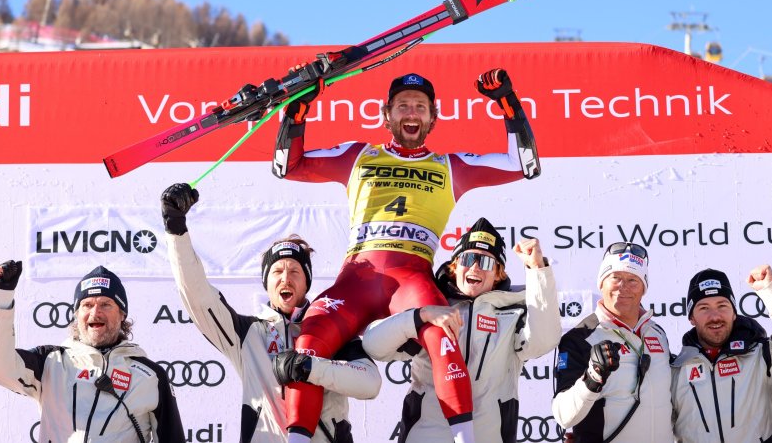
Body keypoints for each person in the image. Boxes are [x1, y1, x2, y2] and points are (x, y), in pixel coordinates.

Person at [272, 67, 539, 443]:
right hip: (356, 281)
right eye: (402, 106)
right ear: (386, 114)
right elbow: (287, 165)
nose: (411, 113)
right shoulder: (358, 156)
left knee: (442, 332)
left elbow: (524, 164)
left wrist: (507, 103)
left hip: (411, 281)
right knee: (308, 343)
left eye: (420, 106)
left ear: (433, 117)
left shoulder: (451, 166)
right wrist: (297, 109)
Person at [160, 183, 382, 443]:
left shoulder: (334, 327)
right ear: (266, 283)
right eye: (277, 271)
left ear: (307, 282)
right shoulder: (247, 334)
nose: (285, 278)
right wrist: (176, 231)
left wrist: (310, 367)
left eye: (294, 271)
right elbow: (198, 296)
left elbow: (370, 383)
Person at [362, 217, 561, 442]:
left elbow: (544, 341)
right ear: (455, 266)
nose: (475, 267)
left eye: (486, 262)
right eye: (468, 258)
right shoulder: (430, 302)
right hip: (426, 435)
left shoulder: (513, 312)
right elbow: (374, 346)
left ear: (498, 274)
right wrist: (421, 315)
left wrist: (537, 270)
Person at [0, 261, 184, 443]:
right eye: (87, 305)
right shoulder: (52, 362)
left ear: (122, 314)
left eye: (106, 304)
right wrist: (2, 296)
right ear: (77, 314)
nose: (95, 313)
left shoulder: (150, 376)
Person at [552, 242, 672, 442]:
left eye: (633, 280)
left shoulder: (657, 333)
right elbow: (563, 415)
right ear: (601, 283)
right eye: (615, 277)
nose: (623, 287)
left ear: (644, 288)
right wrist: (592, 378)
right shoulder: (580, 338)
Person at [670, 266, 772, 442]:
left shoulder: (763, 356)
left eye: (722, 305)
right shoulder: (675, 371)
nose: (715, 316)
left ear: (734, 312)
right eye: (704, 308)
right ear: (691, 318)